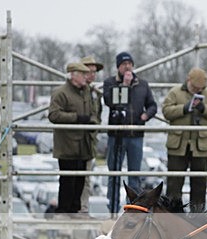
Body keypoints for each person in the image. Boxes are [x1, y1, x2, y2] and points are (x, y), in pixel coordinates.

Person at [102, 51, 157, 213]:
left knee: (134, 174)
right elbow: (109, 101)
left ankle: (133, 208)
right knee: (114, 173)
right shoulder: (110, 83)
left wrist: (146, 115)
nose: (127, 67)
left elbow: (152, 105)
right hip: (116, 135)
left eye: (130, 64)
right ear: (118, 67)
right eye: (123, 64)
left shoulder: (142, 84)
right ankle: (112, 208)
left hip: (136, 136)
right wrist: (124, 87)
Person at [162, 67, 207, 212]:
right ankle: (173, 217)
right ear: (188, 80)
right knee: (174, 185)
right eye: (194, 87)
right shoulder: (175, 92)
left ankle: (198, 218)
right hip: (178, 145)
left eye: (199, 88)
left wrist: (203, 108)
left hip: (199, 147)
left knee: (199, 185)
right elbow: (166, 111)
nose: (197, 90)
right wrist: (184, 108)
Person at [48, 62, 96, 214]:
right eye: (82, 74)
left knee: (80, 182)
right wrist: (76, 118)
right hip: (67, 146)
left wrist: (92, 122)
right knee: (67, 182)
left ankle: (75, 211)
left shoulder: (86, 92)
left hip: (83, 144)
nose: (85, 77)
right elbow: (53, 115)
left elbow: (93, 112)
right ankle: (64, 212)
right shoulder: (61, 93)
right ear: (73, 75)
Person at [79, 55, 104, 213]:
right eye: (89, 71)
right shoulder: (77, 91)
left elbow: (98, 115)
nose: (92, 75)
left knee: (86, 177)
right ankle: (75, 208)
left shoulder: (95, 93)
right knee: (73, 176)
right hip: (76, 139)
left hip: (89, 140)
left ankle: (83, 208)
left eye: (94, 72)